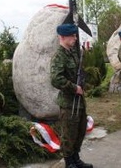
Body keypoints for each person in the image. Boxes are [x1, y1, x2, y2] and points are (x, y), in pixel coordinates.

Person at [50, 23, 93, 168]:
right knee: (69, 134)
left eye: (75, 35)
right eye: (72, 35)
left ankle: (76, 159)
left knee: (80, 131)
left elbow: (78, 73)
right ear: (62, 37)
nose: (75, 38)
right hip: (68, 103)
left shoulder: (73, 53)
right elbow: (56, 79)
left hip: (79, 101)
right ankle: (69, 163)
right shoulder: (59, 56)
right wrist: (74, 88)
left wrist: (82, 81)